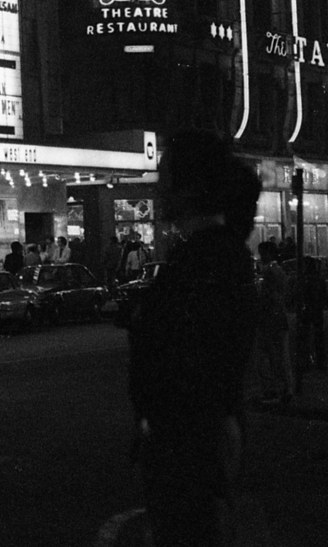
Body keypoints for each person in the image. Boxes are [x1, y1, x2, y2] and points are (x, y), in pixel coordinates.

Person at [127, 130, 260, 547]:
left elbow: (193, 356)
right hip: (196, 437)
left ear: (190, 187)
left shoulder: (205, 259)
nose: (159, 185)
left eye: (167, 175)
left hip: (188, 443)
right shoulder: (214, 253)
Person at [254, 241, 294, 405]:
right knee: (277, 357)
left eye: (263, 254)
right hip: (276, 320)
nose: (261, 257)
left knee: (273, 358)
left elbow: (272, 298)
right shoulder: (276, 271)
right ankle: (282, 390)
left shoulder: (272, 272)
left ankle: (278, 391)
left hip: (272, 321)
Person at [295, 256, 328, 373]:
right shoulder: (317, 278)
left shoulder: (305, 278)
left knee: (306, 337)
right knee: (318, 337)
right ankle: (320, 363)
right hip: (316, 309)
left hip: (308, 309)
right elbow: (324, 294)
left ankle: (307, 363)